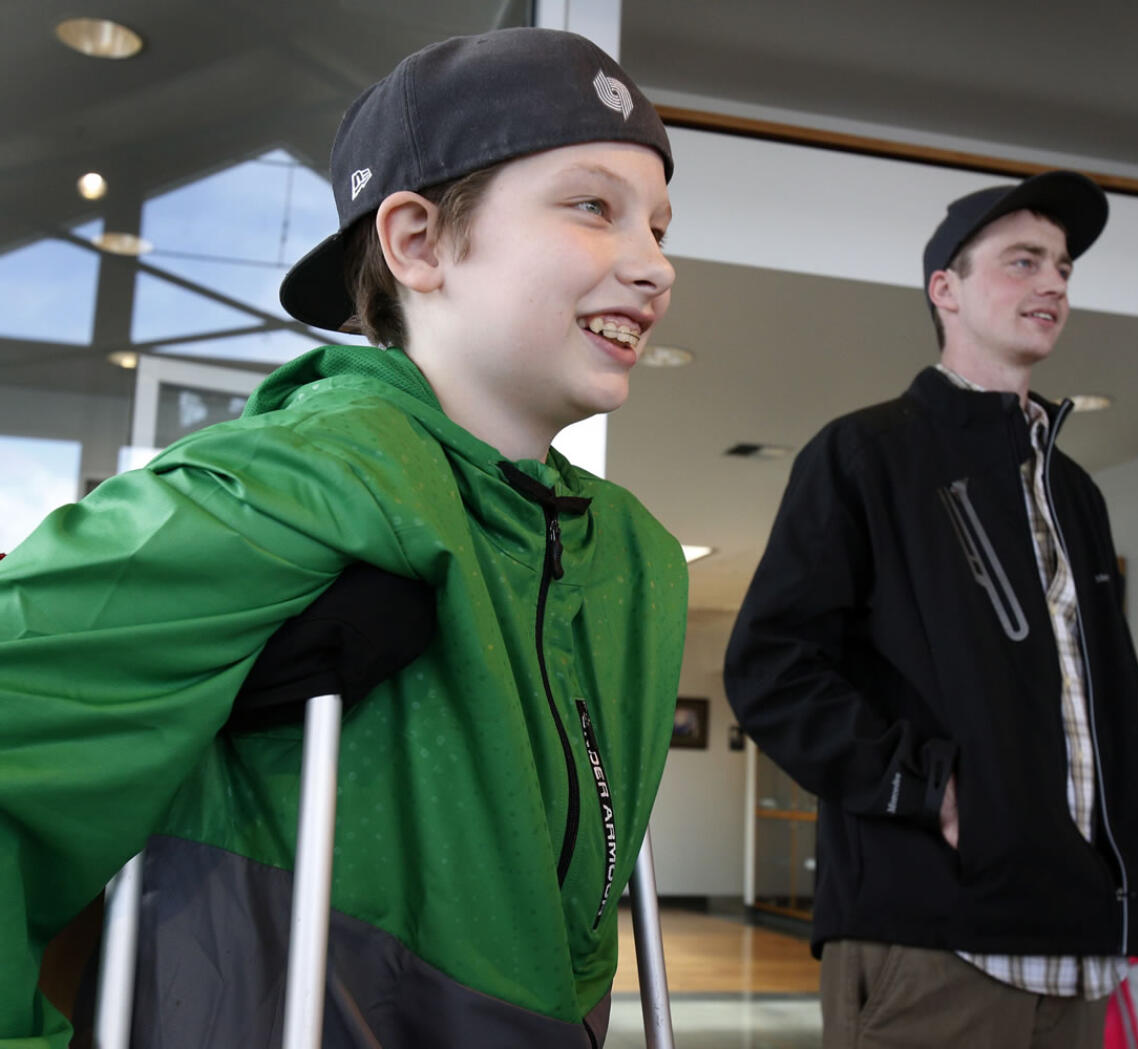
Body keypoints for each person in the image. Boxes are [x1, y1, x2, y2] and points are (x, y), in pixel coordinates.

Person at [0, 27, 687, 1049]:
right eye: (593, 206)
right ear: (417, 243)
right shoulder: (284, 486)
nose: (653, 265)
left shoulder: (632, 557)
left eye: (660, 224)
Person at [724, 170, 1138, 1048]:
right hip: (932, 946)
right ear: (947, 290)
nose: (1052, 283)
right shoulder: (863, 454)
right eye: (1022, 261)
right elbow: (769, 666)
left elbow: (1109, 705)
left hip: (1081, 953)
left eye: (1062, 268)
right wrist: (925, 788)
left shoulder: (1074, 491)